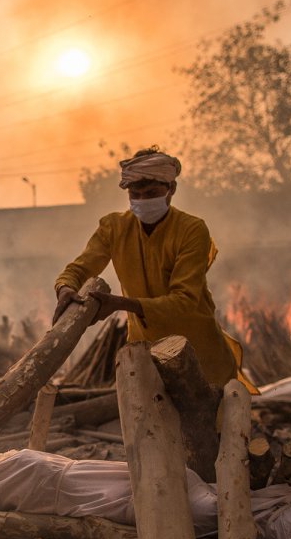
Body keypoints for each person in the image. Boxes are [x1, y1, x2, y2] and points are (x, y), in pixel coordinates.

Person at [53, 147, 253, 390]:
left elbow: (185, 301)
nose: (142, 201)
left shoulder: (192, 230)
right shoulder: (113, 228)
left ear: (171, 190)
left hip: (200, 356)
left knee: (209, 424)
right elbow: (81, 267)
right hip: (145, 355)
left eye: (151, 193)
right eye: (135, 194)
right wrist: (65, 287)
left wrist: (121, 304)